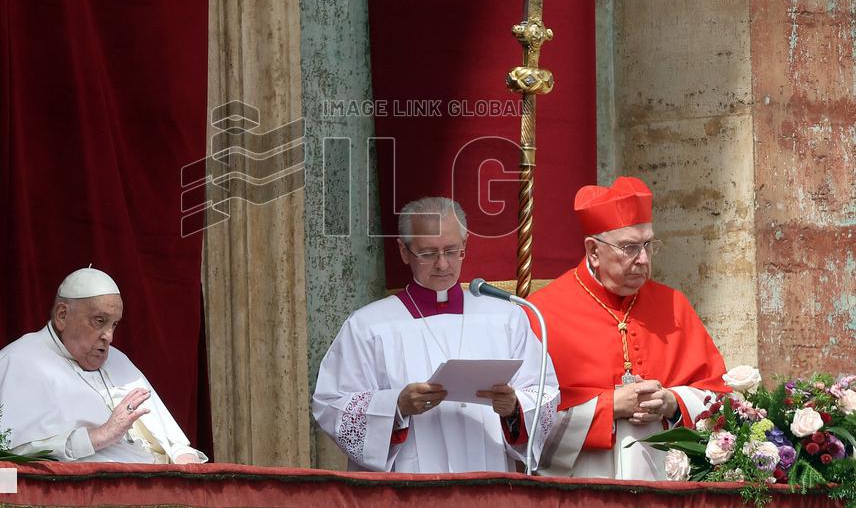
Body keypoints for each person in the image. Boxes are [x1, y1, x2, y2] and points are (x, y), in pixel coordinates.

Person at [312, 197, 559, 472]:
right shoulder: (368, 325)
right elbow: (331, 403)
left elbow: (545, 393)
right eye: (428, 253)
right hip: (409, 486)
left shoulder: (507, 318)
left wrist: (514, 407)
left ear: (464, 246)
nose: (442, 264)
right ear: (404, 252)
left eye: (451, 251)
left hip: (489, 481)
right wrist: (396, 406)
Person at [528, 176, 728, 479]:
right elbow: (528, 425)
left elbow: (719, 395)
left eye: (648, 244)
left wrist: (673, 403)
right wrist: (610, 406)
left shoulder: (674, 304)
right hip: (585, 483)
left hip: (668, 480)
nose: (643, 259)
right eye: (630, 247)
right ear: (594, 251)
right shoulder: (542, 312)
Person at [0, 267, 208, 464]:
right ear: (62, 316)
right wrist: (100, 436)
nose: (109, 337)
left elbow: (169, 439)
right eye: (99, 321)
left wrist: (181, 454)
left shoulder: (118, 360)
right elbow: (7, 457)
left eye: (114, 325)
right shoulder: (17, 362)